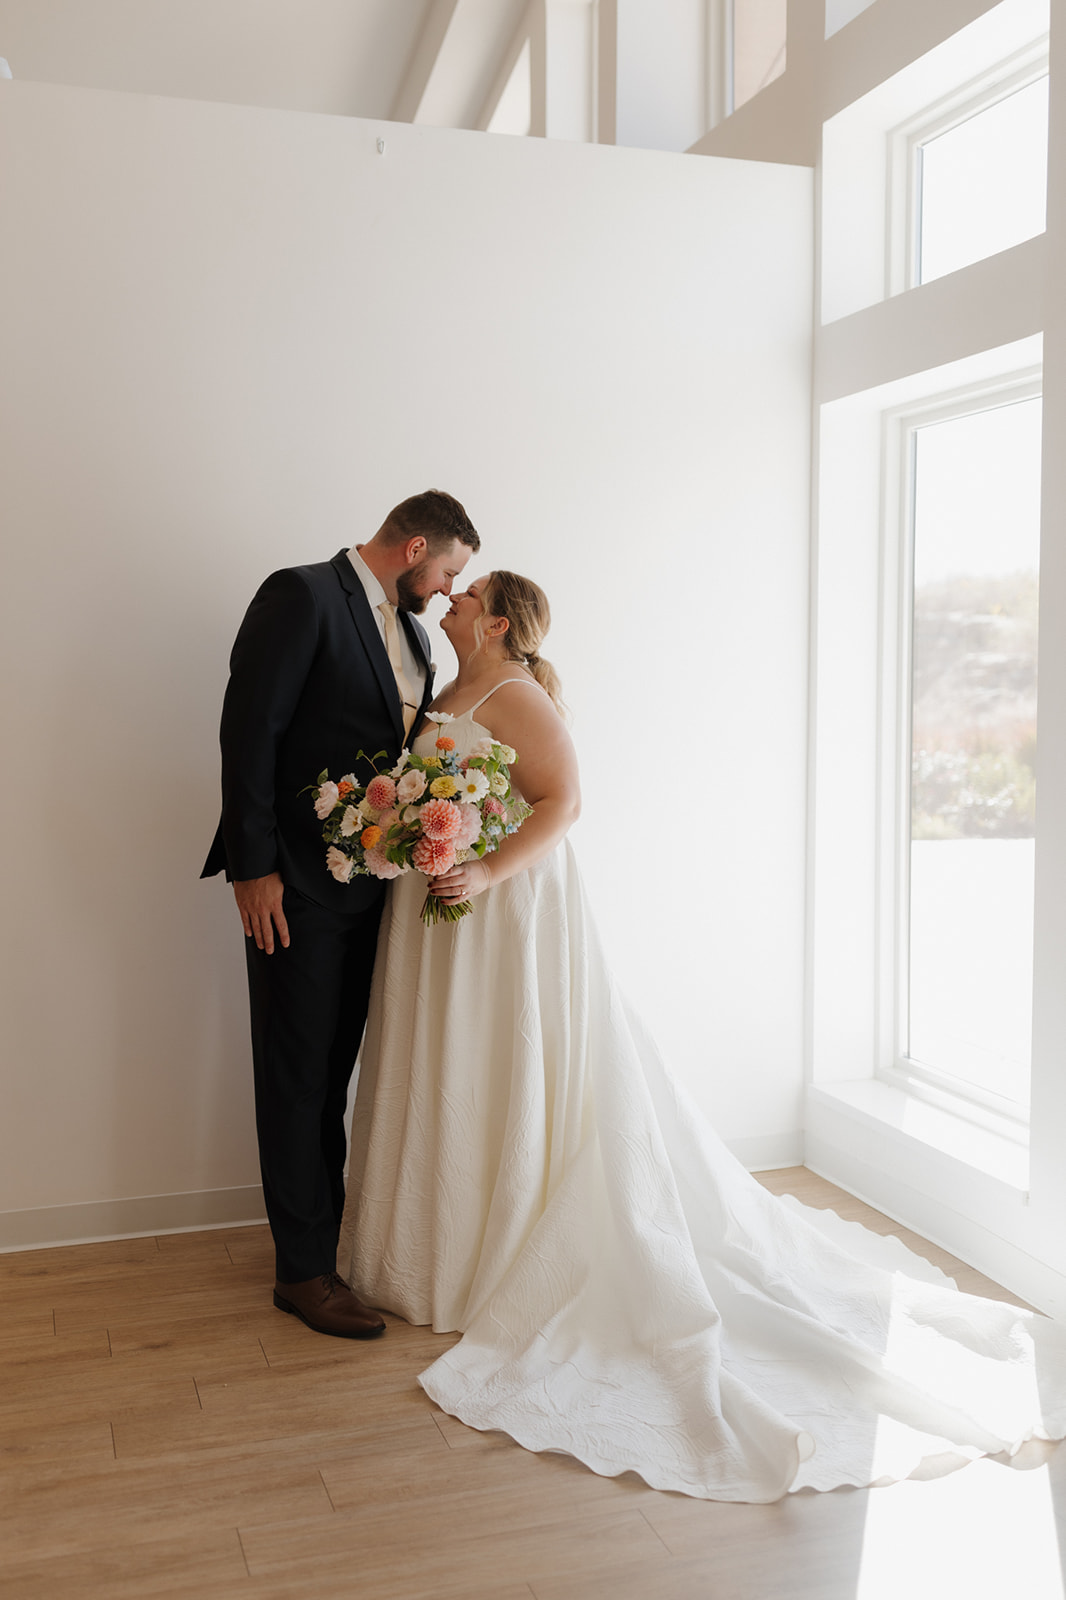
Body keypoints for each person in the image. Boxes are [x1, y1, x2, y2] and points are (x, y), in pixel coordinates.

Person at [337, 568, 1066, 1501]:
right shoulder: (449, 686)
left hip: (504, 909)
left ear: (502, 622)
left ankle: (503, 1251)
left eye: (469, 592)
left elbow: (564, 801)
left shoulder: (516, 693)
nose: (453, 599)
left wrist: (482, 873)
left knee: (501, 1066)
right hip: (440, 909)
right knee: (449, 1068)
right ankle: (439, 1247)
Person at [202, 490, 479, 1338]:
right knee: (296, 1074)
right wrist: (254, 869)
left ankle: (325, 1247)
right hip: (291, 886)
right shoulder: (302, 594)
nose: (447, 589)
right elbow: (249, 733)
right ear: (416, 547)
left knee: (335, 1076)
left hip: (370, 893)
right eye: (449, 571)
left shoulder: (416, 638)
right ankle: (303, 1274)